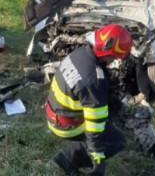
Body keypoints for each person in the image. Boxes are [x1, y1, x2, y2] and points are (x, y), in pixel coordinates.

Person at [47, 23, 132, 176]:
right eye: (114, 57)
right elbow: (94, 126)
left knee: (110, 106)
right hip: (66, 124)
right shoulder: (93, 80)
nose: (114, 61)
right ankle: (68, 159)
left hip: (55, 112)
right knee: (117, 141)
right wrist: (97, 156)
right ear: (106, 49)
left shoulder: (81, 53)